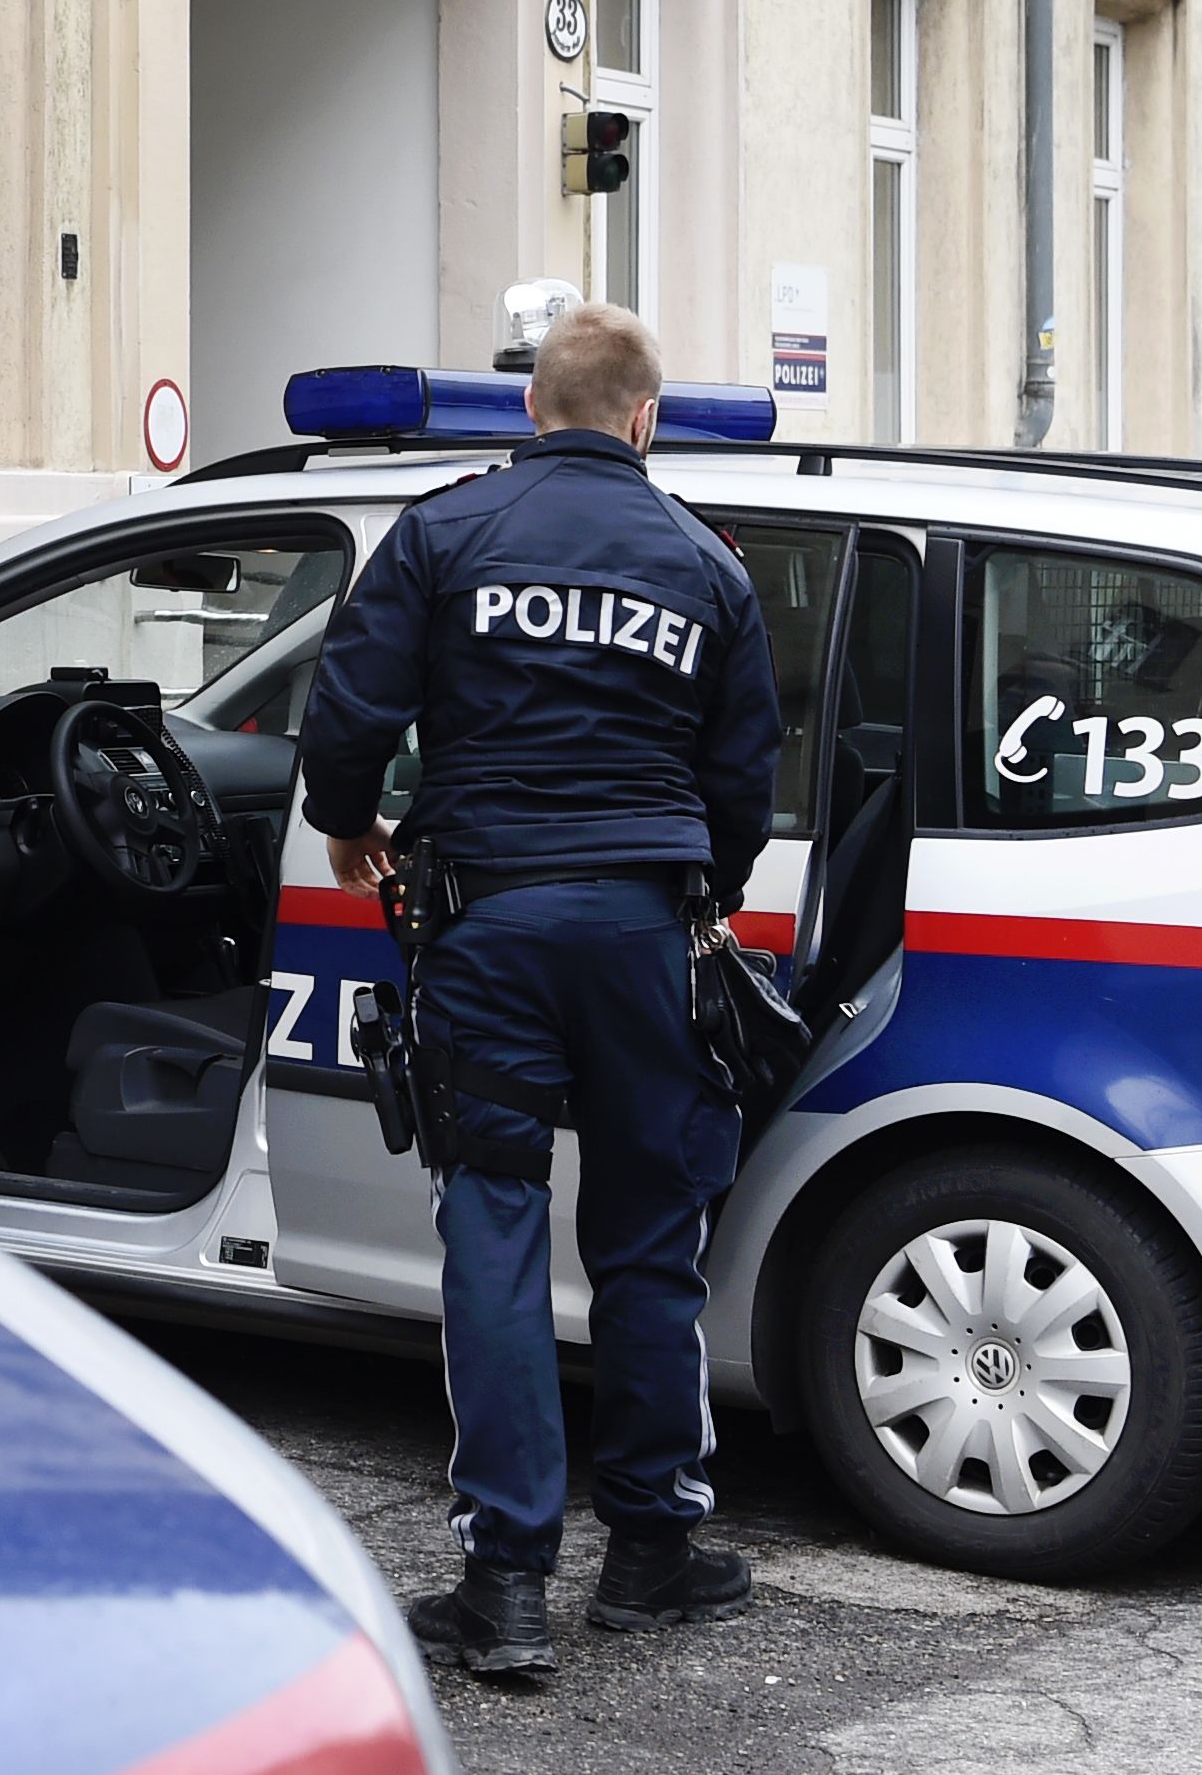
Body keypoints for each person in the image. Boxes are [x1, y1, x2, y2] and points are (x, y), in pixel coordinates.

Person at [298, 301, 784, 1677]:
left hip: (489, 929)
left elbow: (350, 702)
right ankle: (649, 1549)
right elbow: (745, 776)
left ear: (530, 410)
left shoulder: (448, 532)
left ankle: (506, 1582)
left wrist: (348, 817)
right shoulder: (706, 562)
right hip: (647, 935)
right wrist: (700, 888)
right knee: (647, 1239)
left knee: (496, 1235)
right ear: (646, 418)